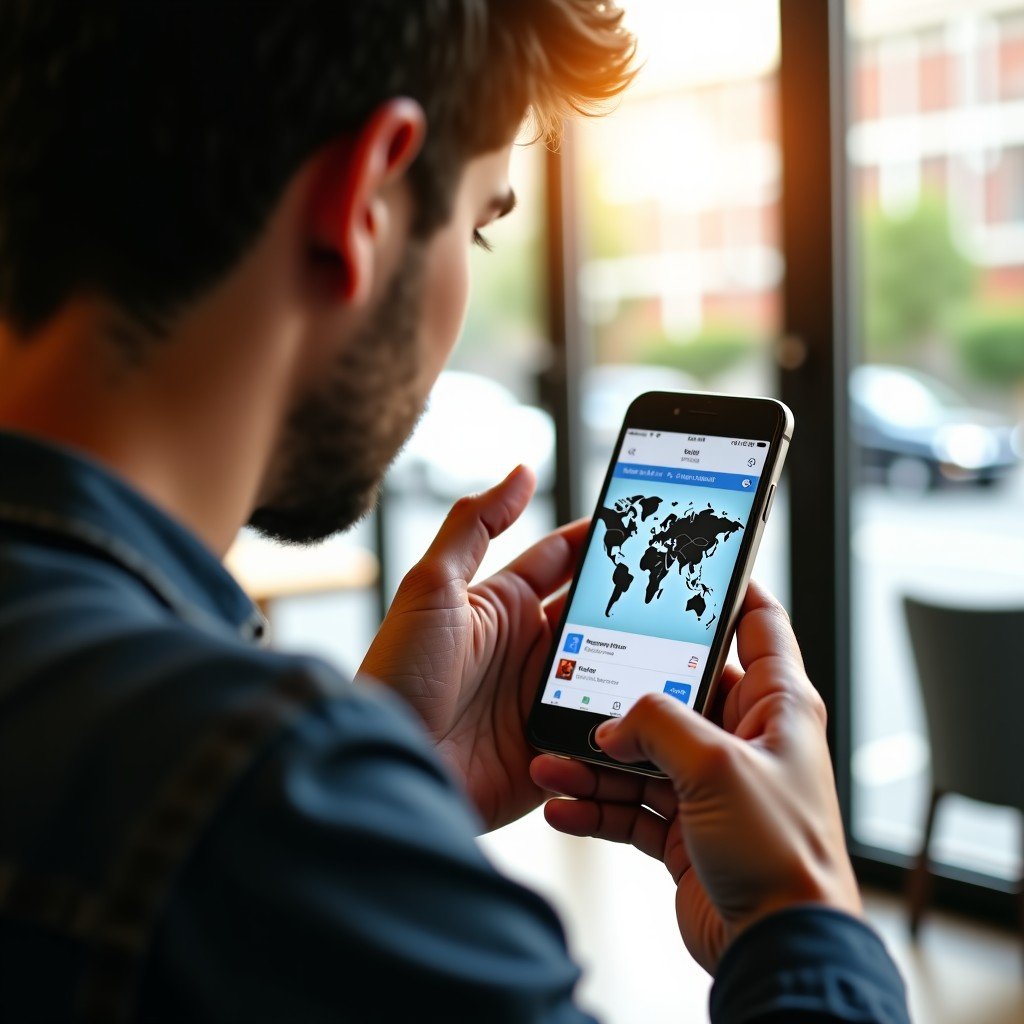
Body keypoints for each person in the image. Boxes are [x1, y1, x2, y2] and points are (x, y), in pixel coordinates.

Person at [0, 2, 910, 1021]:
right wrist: (799, 912)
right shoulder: (241, 796)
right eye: (479, 225)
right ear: (369, 198)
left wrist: (382, 766)